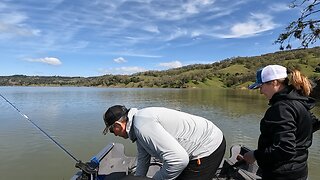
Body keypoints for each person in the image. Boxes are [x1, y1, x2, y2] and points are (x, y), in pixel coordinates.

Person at [102, 105, 225, 180]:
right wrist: (138, 178)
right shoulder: (137, 124)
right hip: (193, 147)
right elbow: (143, 158)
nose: (115, 135)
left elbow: (178, 160)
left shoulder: (142, 126)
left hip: (208, 146)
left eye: (112, 131)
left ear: (118, 125)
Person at [242, 64, 316, 180]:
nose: (261, 92)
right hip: (299, 169)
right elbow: (311, 125)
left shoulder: (282, 108)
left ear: (274, 83)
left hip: (282, 174)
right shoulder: (299, 102)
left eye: (261, 86)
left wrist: (255, 155)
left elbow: (285, 149)